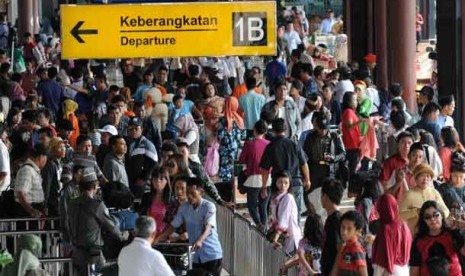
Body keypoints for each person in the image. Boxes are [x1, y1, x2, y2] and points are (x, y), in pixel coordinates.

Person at [157, 178, 223, 276]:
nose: (189, 196)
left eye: (193, 193)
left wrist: (200, 240)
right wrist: (160, 238)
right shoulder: (184, 207)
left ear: (201, 192)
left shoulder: (209, 206)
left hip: (212, 255)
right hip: (195, 256)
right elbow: (173, 225)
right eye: (187, 193)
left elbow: (208, 227)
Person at [68, 169, 128, 276]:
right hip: (93, 255)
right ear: (95, 186)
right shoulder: (97, 205)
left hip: (77, 252)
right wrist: (123, 236)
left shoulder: (72, 203)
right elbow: (112, 228)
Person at [260, 118, 311, 223]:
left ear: (273, 130)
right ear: (286, 129)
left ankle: (281, 236)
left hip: (279, 184)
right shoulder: (294, 144)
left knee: (279, 212)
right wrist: (307, 179)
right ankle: (295, 236)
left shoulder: (271, 146)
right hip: (296, 183)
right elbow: (304, 163)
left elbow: (265, 169)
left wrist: (264, 186)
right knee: (295, 213)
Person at [409, 201, 463, 276]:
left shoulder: (452, 233)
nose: (433, 219)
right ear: (423, 220)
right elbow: (414, 271)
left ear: (442, 215)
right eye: (428, 217)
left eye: (436, 215)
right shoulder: (418, 241)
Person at [399, 163, 449, 234]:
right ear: (416, 179)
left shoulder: (434, 192)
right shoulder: (409, 194)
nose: (425, 179)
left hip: (434, 233)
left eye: (428, 176)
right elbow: (400, 215)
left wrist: (437, 215)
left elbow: (446, 211)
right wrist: (415, 212)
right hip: (416, 234)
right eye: (422, 176)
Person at [239, 120, 271, 228]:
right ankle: (264, 228)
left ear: (254, 130)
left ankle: (259, 226)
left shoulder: (249, 144)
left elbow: (242, 159)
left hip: (253, 178)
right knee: (264, 206)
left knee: (252, 206)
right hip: (268, 178)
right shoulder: (269, 144)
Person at [372, 194, 412, 275]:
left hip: (390, 272)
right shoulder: (404, 225)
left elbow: (382, 261)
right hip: (404, 270)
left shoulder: (385, 230)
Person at [280, 204, 324, 275]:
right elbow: (300, 256)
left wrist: (311, 272)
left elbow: (301, 256)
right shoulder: (323, 243)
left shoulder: (303, 242)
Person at [216, 97, 245, 201]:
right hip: (236, 150)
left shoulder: (223, 120)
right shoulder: (239, 119)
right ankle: (234, 195)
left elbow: (220, 136)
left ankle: (227, 197)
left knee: (226, 173)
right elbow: (243, 135)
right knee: (234, 173)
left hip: (225, 151)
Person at [267, 171, 302, 254]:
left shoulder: (288, 198)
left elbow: (284, 221)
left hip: (289, 238)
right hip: (282, 236)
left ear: (290, 183)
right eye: (280, 182)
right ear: (275, 182)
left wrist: (275, 238)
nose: (283, 185)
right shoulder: (275, 197)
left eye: (286, 183)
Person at [126, 117, 158, 197]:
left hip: (140, 181)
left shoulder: (147, 144)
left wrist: (144, 178)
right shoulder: (125, 141)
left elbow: (154, 163)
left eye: (136, 129)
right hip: (127, 179)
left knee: (139, 201)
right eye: (131, 128)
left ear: (142, 129)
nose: (133, 131)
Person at [14, 144, 48, 218]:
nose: (46, 161)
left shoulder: (32, 170)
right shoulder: (27, 170)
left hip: (34, 209)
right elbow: (20, 192)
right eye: (46, 158)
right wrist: (31, 210)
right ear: (41, 157)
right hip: (27, 212)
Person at [331, 210, 368, 276]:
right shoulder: (344, 248)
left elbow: (364, 274)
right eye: (343, 227)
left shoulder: (356, 249)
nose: (344, 232)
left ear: (358, 231)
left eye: (349, 229)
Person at [320, 178, 343, 275]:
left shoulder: (336, 220)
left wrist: (333, 273)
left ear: (325, 196)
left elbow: (340, 249)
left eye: (321, 195)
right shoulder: (333, 218)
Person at [341, 92, 363, 193]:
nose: (357, 102)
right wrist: (360, 121)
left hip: (354, 144)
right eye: (355, 100)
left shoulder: (351, 112)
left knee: (353, 167)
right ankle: (351, 190)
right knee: (352, 169)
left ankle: (352, 189)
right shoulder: (348, 112)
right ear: (349, 101)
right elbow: (349, 126)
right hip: (351, 145)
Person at [139, 168, 172, 236]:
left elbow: (171, 221)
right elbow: (141, 215)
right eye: (155, 179)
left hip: (164, 236)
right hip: (147, 234)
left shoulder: (171, 200)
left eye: (161, 179)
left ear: (166, 181)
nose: (157, 181)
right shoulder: (146, 196)